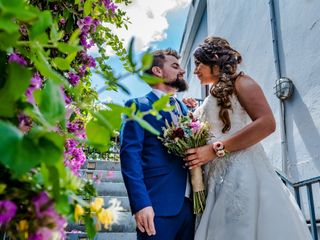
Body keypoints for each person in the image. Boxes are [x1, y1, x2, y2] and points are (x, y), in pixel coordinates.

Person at [183, 37, 312, 240]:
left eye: (198, 63)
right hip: (215, 179)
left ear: (214, 59)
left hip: (241, 174)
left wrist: (216, 149)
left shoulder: (242, 82)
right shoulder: (212, 94)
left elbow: (267, 123)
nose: (195, 70)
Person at [120, 49, 195, 240]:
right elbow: (130, 159)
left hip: (192, 208)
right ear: (157, 71)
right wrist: (141, 204)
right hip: (157, 207)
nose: (182, 71)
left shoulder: (185, 109)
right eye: (175, 66)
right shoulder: (138, 106)